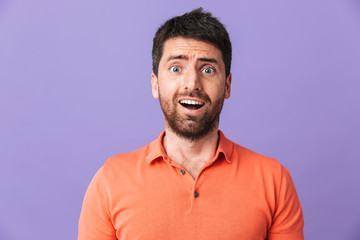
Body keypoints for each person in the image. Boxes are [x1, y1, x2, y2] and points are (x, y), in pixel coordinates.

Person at [78, 8, 304, 240]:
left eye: (208, 69)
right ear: (155, 84)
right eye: (176, 68)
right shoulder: (110, 179)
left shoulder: (274, 179)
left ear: (227, 85)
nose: (192, 83)